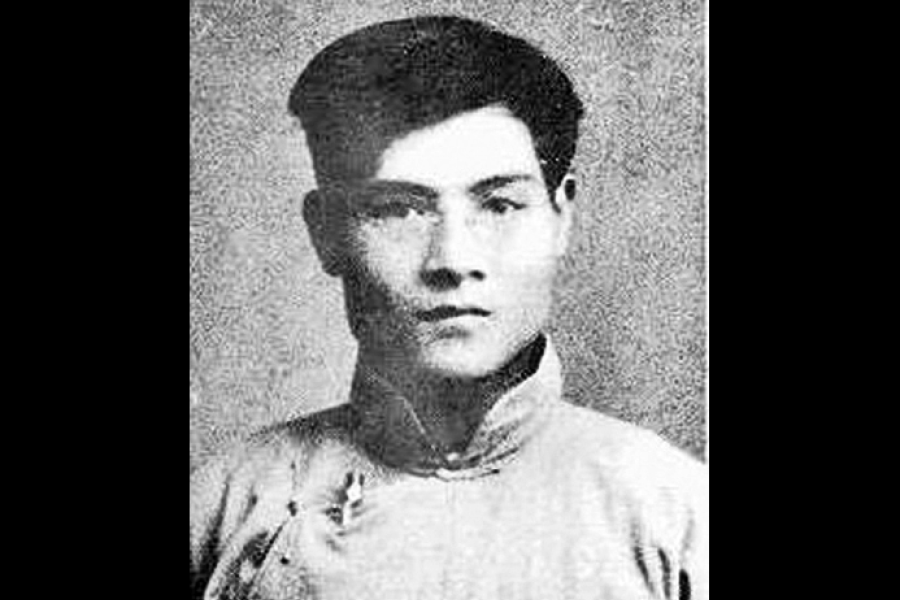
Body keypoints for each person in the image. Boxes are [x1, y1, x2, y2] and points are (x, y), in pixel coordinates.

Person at [190, 15, 708, 600]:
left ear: (560, 216)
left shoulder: (678, 520)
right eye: (399, 210)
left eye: (500, 205)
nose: (454, 260)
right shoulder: (225, 509)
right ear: (327, 233)